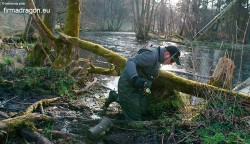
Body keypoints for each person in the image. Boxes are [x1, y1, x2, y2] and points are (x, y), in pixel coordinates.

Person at [101, 45, 181, 121]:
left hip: (140, 86)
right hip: (128, 84)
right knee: (135, 119)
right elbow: (130, 62)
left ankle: (115, 96)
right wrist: (135, 78)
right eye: (172, 60)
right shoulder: (152, 55)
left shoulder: (159, 56)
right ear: (167, 54)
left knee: (142, 111)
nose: (171, 63)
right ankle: (119, 97)